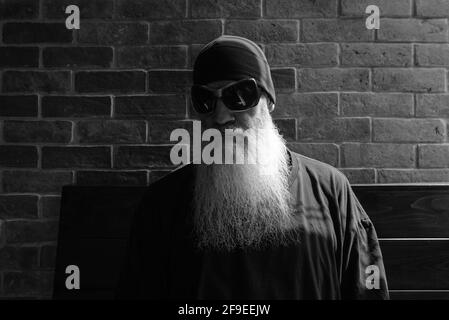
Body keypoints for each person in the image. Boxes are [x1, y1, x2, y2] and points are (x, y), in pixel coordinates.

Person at [115, 35, 389, 300]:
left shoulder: (331, 191)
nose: (220, 116)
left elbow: (365, 290)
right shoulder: (162, 204)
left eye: (239, 95)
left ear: (268, 100)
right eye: (206, 100)